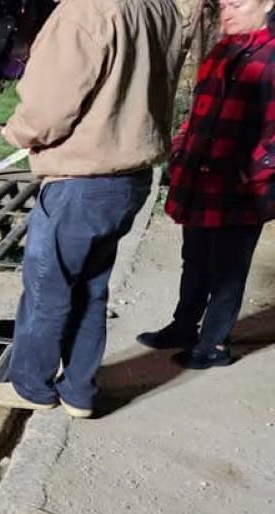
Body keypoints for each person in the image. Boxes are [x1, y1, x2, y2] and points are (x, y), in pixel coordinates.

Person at [0, 0, 182, 418]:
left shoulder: (85, 11)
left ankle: (32, 386)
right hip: (130, 177)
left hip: (81, 179)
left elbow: (49, 109)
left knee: (48, 288)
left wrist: (16, 132)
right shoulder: (161, 8)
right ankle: (79, 391)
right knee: (92, 287)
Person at [137, 0, 275, 369]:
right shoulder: (220, 51)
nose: (226, 12)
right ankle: (184, 327)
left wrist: (255, 172)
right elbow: (199, 111)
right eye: (223, 5)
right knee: (195, 259)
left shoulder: (271, 57)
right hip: (201, 178)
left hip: (241, 188)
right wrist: (182, 149)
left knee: (227, 269)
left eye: (237, 4)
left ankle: (214, 345)